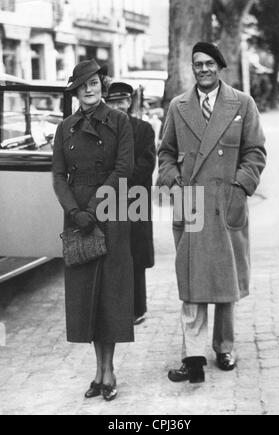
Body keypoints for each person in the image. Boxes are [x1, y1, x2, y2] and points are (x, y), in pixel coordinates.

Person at [158, 42, 267, 384]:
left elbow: (255, 152)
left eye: (209, 64)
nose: (203, 69)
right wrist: (175, 182)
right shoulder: (178, 106)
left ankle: (225, 345)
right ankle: (193, 352)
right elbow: (165, 152)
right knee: (192, 281)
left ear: (220, 67)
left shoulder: (242, 103)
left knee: (225, 279)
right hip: (192, 203)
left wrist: (240, 186)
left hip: (226, 204)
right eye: (197, 64)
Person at [52, 60, 135, 401]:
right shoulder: (65, 128)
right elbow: (58, 175)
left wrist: (94, 207)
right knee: (86, 295)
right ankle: (96, 371)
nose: (89, 89)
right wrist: (74, 210)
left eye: (94, 83)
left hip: (110, 212)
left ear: (102, 84)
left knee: (110, 296)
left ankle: (109, 370)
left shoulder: (120, 122)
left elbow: (124, 167)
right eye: (82, 85)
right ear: (75, 90)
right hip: (78, 218)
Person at [105, 82, 156, 325]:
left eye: (122, 101)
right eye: (113, 102)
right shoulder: (102, 130)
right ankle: (115, 307)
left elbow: (147, 165)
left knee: (135, 254)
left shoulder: (144, 129)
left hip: (135, 200)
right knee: (112, 254)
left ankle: (138, 308)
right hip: (110, 202)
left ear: (130, 102)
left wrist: (118, 178)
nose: (118, 106)